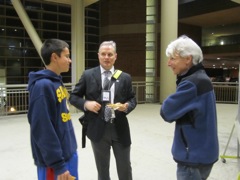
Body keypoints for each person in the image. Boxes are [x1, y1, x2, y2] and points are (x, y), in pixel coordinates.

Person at [69, 40, 137, 180]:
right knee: (102, 170)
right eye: (104, 54)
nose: (107, 57)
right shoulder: (88, 75)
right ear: (98, 55)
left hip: (120, 128)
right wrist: (86, 104)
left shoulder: (124, 77)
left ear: (115, 56)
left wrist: (126, 106)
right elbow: (73, 97)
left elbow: (132, 99)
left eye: (110, 54)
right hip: (98, 129)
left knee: (125, 168)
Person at [160, 35, 219, 180]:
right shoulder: (202, 78)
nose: (169, 63)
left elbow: (166, 112)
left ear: (188, 59)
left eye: (173, 58)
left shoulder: (191, 83)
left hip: (192, 156)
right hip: (203, 152)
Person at [27, 39, 78, 180]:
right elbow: (42, 129)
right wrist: (58, 164)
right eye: (66, 56)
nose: (70, 60)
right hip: (54, 164)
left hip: (67, 154)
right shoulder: (42, 87)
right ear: (54, 57)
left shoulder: (57, 82)